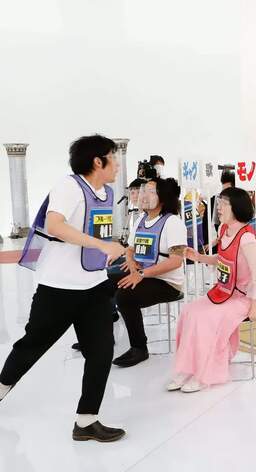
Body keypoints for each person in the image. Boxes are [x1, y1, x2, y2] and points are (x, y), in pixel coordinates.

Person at [1, 135, 127, 442]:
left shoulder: (107, 193)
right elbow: (55, 226)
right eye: (113, 158)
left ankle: (86, 421)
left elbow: (96, 233)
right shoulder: (69, 187)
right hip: (58, 287)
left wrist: (111, 249)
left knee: (101, 351)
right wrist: (102, 245)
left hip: (95, 285)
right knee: (32, 346)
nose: (117, 164)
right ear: (97, 161)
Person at [168, 187, 256, 393]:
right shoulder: (223, 230)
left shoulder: (247, 238)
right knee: (189, 311)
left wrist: (255, 306)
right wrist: (199, 257)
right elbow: (222, 259)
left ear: (237, 207)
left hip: (243, 298)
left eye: (224, 204)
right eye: (219, 203)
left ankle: (205, 373)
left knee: (206, 319)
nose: (219, 207)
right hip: (223, 291)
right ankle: (188, 367)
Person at [111, 178, 187, 367]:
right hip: (143, 273)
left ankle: (139, 348)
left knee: (125, 296)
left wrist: (141, 274)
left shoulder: (173, 222)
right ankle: (103, 336)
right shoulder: (141, 220)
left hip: (166, 282)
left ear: (163, 198)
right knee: (103, 281)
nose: (144, 195)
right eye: (144, 191)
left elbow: (176, 261)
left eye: (151, 192)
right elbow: (130, 249)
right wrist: (131, 263)